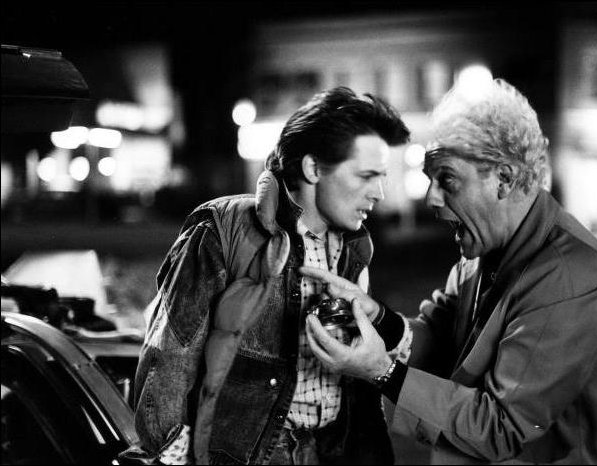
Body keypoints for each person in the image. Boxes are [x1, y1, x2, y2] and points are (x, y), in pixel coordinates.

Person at [301, 79, 597, 464]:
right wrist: (377, 319)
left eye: (447, 179)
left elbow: (500, 428)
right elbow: (439, 338)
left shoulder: (569, 279)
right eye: (430, 179)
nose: (432, 197)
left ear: (504, 179)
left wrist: (382, 372)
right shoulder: (483, 252)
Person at [127, 87, 410, 465]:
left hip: (332, 449)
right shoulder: (227, 228)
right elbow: (170, 355)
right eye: (366, 176)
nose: (379, 193)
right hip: (256, 453)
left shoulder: (355, 247)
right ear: (313, 168)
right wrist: (170, 455)